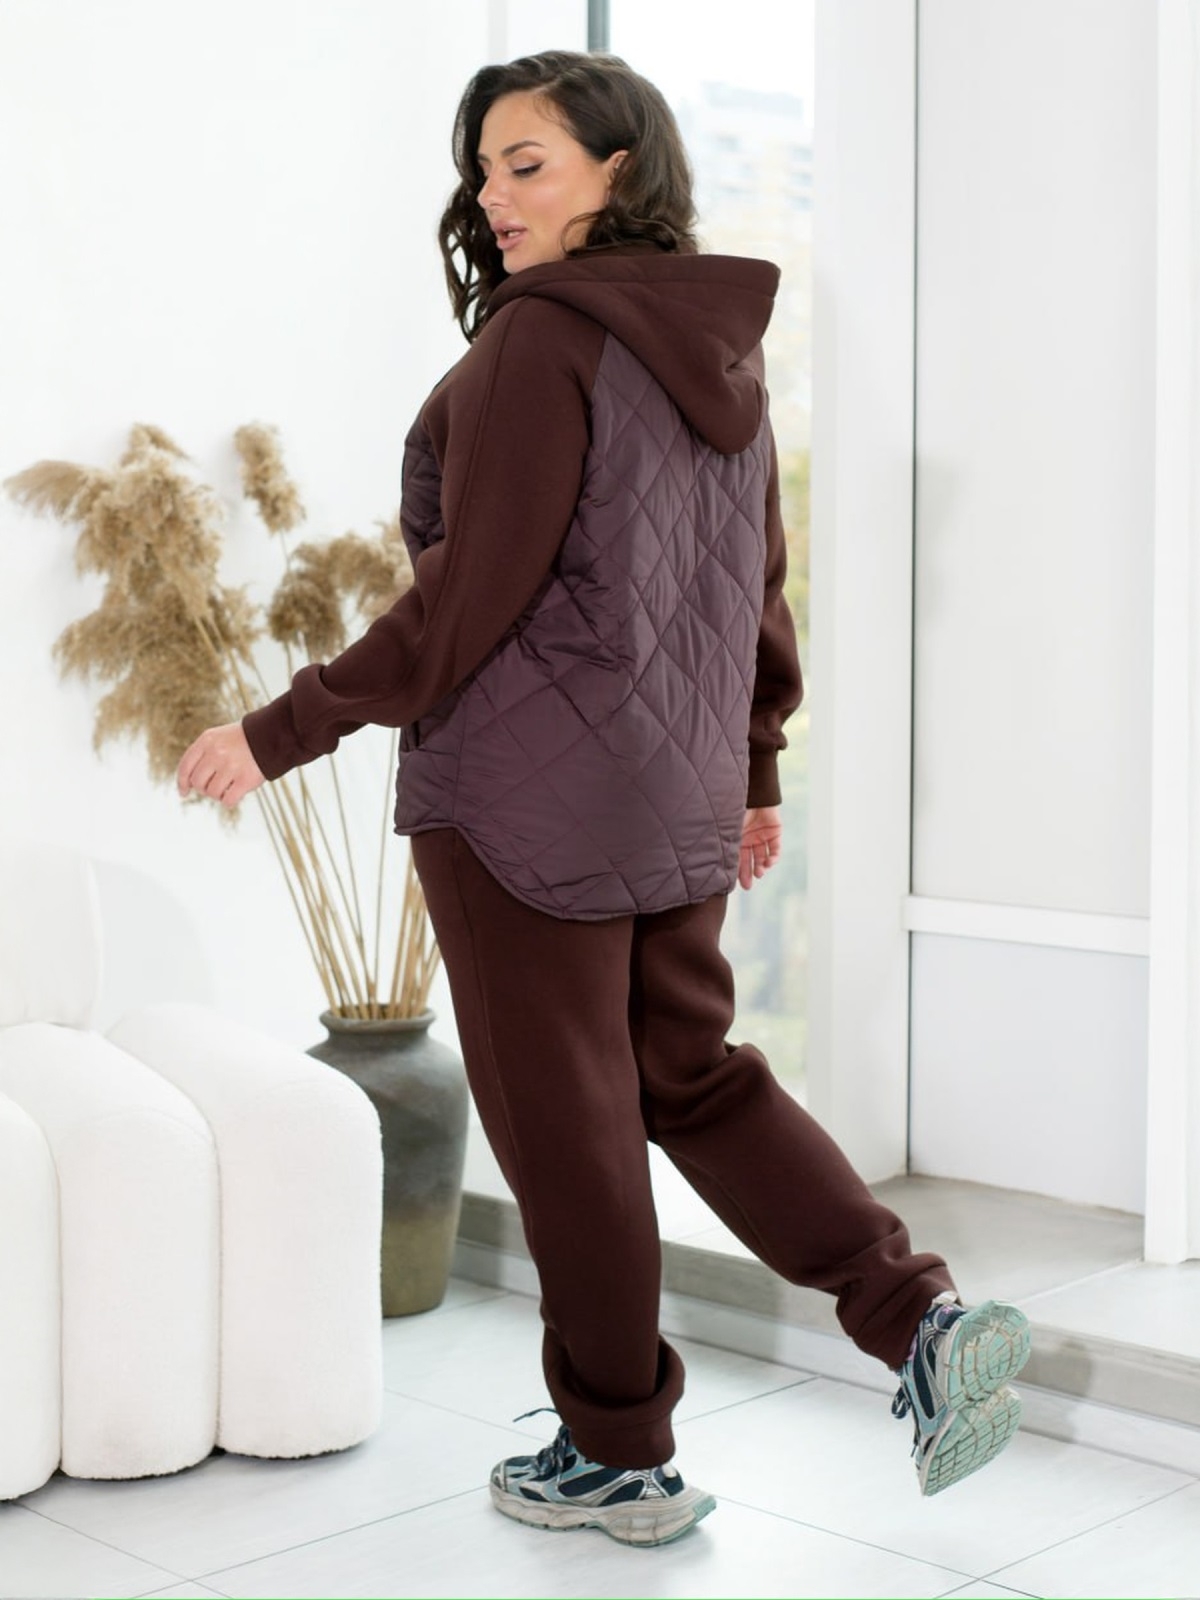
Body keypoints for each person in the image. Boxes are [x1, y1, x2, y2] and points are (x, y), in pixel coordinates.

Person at [177, 49, 1031, 1549]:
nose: (494, 197)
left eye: (529, 164)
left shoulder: (540, 343)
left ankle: (618, 1454)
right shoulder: (719, 353)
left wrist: (284, 727)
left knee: (566, 1123)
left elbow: (466, 603)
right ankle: (919, 1317)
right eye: (483, 170)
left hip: (519, 804)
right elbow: (759, 594)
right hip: (671, 791)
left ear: (617, 168)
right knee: (692, 1076)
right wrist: (751, 774)